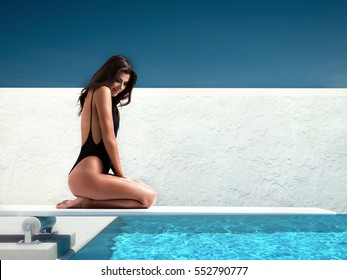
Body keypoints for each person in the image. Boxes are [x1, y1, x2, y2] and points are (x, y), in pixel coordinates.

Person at [56, 55, 157, 209]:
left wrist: (122, 179)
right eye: (118, 80)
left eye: (125, 83)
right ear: (107, 75)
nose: (121, 87)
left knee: (149, 195)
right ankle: (86, 203)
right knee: (148, 197)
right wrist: (121, 176)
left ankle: (87, 202)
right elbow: (109, 138)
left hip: (89, 176)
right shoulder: (101, 90)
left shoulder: (102, 96)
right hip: (86, 176)